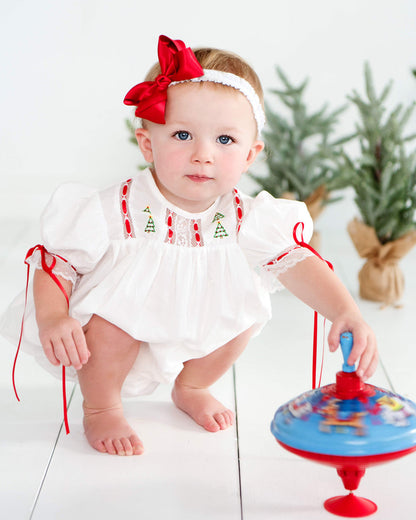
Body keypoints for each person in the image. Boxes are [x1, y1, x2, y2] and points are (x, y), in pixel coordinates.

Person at [1, 35, 377, 457]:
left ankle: (192, 385)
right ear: (148, 143)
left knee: (243, 317)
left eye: (224, 141)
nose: (203, 155)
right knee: (110, 329)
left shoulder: (246, 217)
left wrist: (345, 311)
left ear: (250, 155)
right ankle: (102, 406)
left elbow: (298, 263)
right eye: (182, 135)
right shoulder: (117, 207)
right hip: (128, 312)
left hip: (200, 311)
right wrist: (53, 316)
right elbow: (58, 264)